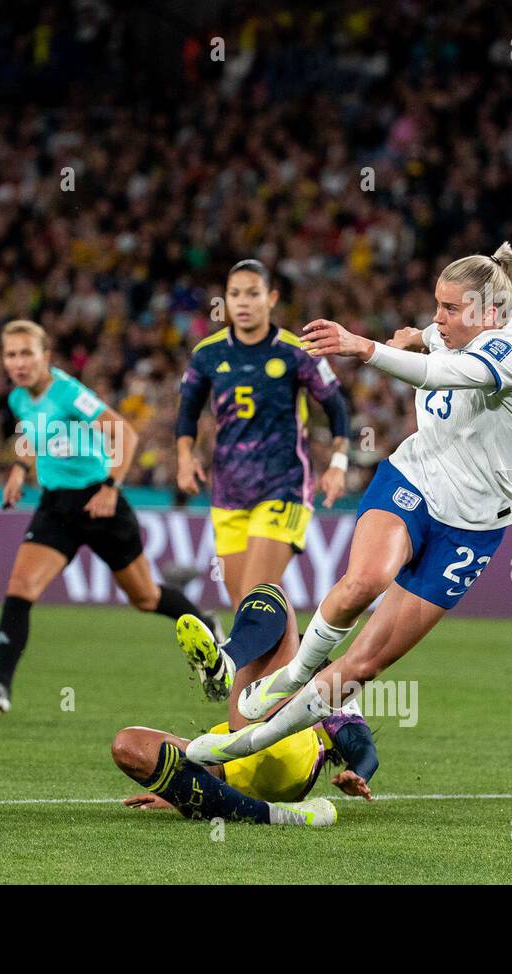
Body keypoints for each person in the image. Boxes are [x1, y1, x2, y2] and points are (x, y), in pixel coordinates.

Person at [185, 243, 512, 765]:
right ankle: (287, 676)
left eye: (448, 309)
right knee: (365, 580)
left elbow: (439, 374)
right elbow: (428, 339)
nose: (436, 319)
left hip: (472, 528)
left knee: (363, 664)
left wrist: (366, 346)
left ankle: (247, 743)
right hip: (414, 479)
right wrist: (415, 336)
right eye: (436, 305)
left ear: (489, 313)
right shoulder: (452, 327)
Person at [0, 320, 218, 714]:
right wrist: (17, 470)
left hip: (100, 502)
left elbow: (123, 433)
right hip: (56, 507)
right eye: (11, 354)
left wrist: (111, 486)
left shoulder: (67, 392)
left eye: (27, 353)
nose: (18, 362)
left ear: (46, 357)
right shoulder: (18, 399)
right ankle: (0, 685)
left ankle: (208, 627)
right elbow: (30, 434)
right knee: (20, 587)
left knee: (146, 598)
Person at [174, 258, 350, 703]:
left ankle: (227, 676)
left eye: (253, 293)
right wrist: (183, 457)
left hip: (284, 488)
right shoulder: (208, 354)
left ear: (271, 299)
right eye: (235, 295)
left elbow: (336, 406)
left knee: (256, 599)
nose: (244, 302)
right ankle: (328, 706)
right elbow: (186, 411)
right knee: (252, 618)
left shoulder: (295, 351)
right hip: (229, 495)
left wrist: (338, 463)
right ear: (226, 302)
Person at [110, 583, 379, 828]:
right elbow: (362, 746)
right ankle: (266, 813)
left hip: (286, 758)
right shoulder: (312, 690)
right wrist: (177, 791)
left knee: (274, 594)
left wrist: (358, 772)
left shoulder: (321, 680)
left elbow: (362, 745)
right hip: (230, 773)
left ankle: (227, 659)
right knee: (127, 746)